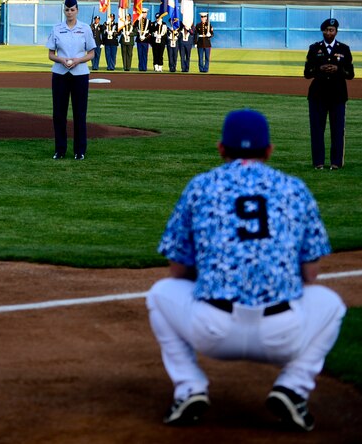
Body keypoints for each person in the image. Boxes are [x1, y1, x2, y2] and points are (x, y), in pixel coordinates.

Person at [146, 109, 346, 432]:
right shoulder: (295, 189)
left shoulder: (201, 187)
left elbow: (178, 269)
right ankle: (293, 388)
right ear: (269, 150)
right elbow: (310, 276)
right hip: (282, 334)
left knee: (159, 294)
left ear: (221, 148)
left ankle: (189, 389)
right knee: (331, 303)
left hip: (212, 331)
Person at [46, 0, 95, 161]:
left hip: (80, 74)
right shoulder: (57, 28)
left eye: (72, 9)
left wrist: (78, 60)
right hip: (60, 74)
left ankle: (79, 150)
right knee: (59, 114)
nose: (69, 13)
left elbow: (92, 53)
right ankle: (60, 149)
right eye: (67, 10)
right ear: (64, 10)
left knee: (79, 113)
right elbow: (51, 54)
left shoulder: (85, 29)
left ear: (77, 10)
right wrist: (61, 59)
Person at [304, 18, 355, 170]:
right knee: (317, 130)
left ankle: (336, 163)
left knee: (338, 130)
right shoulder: (314, 48)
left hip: (338, 96)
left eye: (331, 30)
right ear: (323, 31)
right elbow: (307, 73)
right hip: (317, 96)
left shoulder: (344, 49)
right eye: (326, 30)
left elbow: (350, 74)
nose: (328, 32)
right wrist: (319, 69)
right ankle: (318, 163)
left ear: (336, 32)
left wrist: (338, 69)